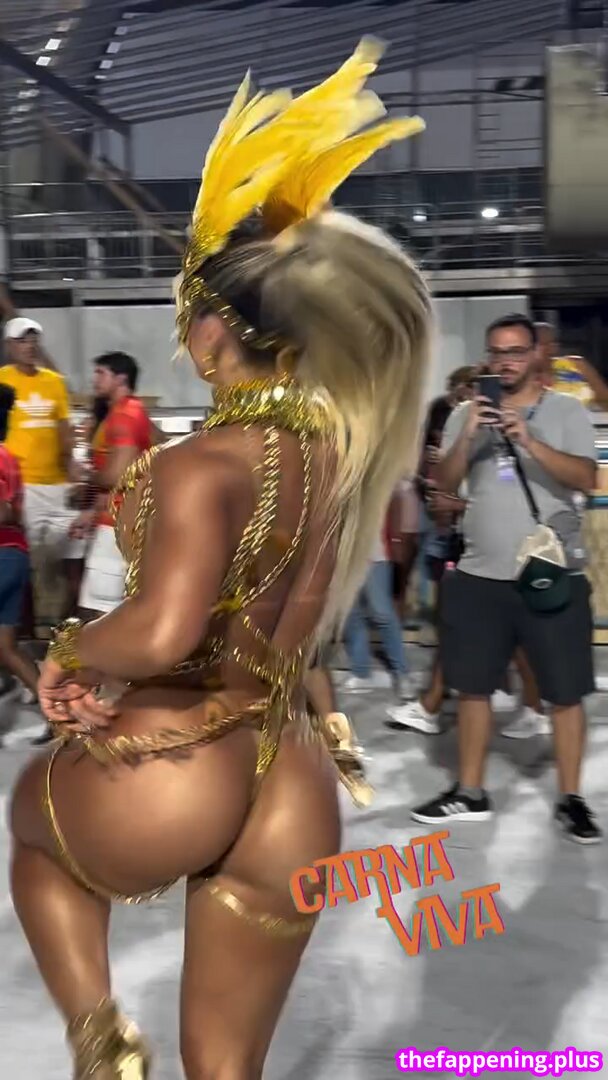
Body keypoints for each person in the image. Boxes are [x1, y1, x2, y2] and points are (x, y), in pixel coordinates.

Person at [9, 40, 432, 1079]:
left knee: (35, 833)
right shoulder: (338, 455)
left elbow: (163, 632)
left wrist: (69, 652)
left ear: (211, 333)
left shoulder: (199, 463)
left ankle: (102, 1040)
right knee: (227, 1064)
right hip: (289, 776)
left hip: (178, 760)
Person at [410, 313, 601, 844]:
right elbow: (444, 485)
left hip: (551, 574)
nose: (505, 361)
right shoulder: (465, 414)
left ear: (536, 354)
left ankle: (571, 798)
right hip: (478, 576)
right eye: (497, 352)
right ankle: (470, 792)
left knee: (565, 692)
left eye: (516, 351)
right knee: (472, 688)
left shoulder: (565, 411)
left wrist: (529, 441)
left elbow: (587, 478)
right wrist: (467, 436)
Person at [0, 317, 76, 632]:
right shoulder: (2, 379)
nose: (29, 346)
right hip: (22, 484)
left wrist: (73, 467)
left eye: (33, 340)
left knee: (65, 559)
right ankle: (22, 629)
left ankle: (60, 629)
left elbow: (64, 428)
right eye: (22, 341)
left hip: (57, 485)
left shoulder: (54, 382)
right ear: (9, 346)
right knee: (25, 560)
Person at [75, 353, 152, 618]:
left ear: (121, 378)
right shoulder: (129, 411)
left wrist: (87, 476)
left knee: (99, 611)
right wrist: (91, 511)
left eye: (101, 373)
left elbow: (118, 474)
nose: (94, 380)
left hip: (115, 526)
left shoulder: (124, 416)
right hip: (118, 520)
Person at [342, 496, 415, 701]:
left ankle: (402, 673)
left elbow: (395, 507)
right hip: (345, 558)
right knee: (352, 615)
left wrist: (398, 544)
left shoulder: (381, 482)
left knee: (382, 613)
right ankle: (360, 672)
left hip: (376, 555)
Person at [0, 385, 40, 726]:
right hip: (15, 556)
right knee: (7, 648)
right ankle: (61, 715)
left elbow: (3, 512)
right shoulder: (8, 455)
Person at [535, 321, 608, 408]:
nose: (551, 348)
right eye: (542, 344)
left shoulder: (576, 364)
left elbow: (605, 398)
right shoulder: (525, 377)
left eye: (553, 343)